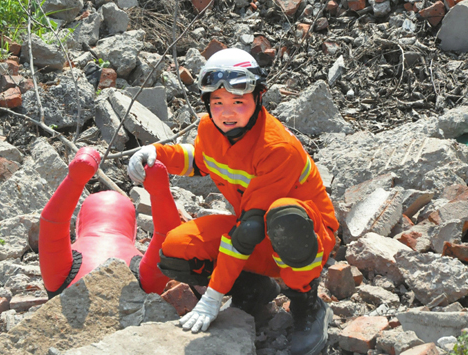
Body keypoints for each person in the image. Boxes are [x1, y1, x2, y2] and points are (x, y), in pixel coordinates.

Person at [127, 48, 340, 355]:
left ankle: (307, 305)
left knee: (284, 218)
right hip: (257, 235)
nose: (227, 112)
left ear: (258, 98)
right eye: (218, 103)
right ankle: (253, 290)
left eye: (238, 102)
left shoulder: (277, 148)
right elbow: (200, 161)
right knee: (175, 251)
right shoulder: (209, 129)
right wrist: (157, 154)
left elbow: (249, 228)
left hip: (307, 237)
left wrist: (213, 297)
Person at [39, 146, 180, 298]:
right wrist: (160, 191)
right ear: (134, 230)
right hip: (133, 307)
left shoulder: (67, 265)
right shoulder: (139, 268)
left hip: (68, 305)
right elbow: (169, 236)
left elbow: (52, 224)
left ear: (79, 225)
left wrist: (75, 179)